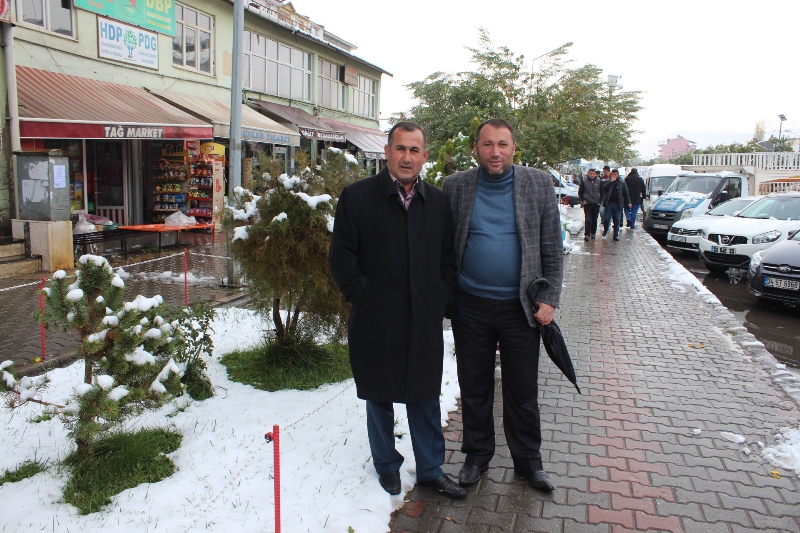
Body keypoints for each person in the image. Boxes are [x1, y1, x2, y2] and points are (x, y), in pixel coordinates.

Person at [328, 122, 466, 500]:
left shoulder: (437, 202)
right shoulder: (357, 197)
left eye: (415, 150)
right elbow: (342, 258)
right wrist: (365, 296)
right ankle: (386, 464)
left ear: (425, 156)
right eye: (400, 149)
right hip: (376, 317)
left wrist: (440, 298)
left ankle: (431, 468)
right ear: (386, 151)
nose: (407, 157)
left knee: (424, 393)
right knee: (379, 393)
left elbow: (447, 259)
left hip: (423, 318)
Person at [442, 119, 564, 491]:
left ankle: (529, 462)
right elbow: (444, 245)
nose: (495, 152)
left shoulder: (538, 183)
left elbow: (551, 247)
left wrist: (549, 298)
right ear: (475, 148)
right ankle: (477, 456)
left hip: (520, 307)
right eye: (487, 144)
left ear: (514, 148)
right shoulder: (455, 186)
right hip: (471, 305)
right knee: (475, 386)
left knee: (522, 390)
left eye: (503, 144)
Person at [601, 169, 632, 241]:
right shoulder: (608, 181)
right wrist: (610, 182)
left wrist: (629, 202)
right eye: (612, 174)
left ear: (617, 175)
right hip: (609, 203)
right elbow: (603, 188)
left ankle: (615, 235)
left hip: (618, 204)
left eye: (615, 175)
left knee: (617, 220)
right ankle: (605, 229)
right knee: (606, 218)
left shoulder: (622, 182)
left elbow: (626, 193)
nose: (614, 176)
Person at [578, 168, 602, 241]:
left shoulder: (599, 181)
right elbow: (580, 192)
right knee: (588, 219)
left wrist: (600, 201)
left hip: (596, 203)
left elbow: (602, 192)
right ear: (588, 173)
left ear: (595, 174)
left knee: (594, 219)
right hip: (587, 203)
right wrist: (583, 200)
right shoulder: (584, 181)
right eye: (590, 173)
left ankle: (593, 233)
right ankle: (587, 234)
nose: (592, 175)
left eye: (593, 173)